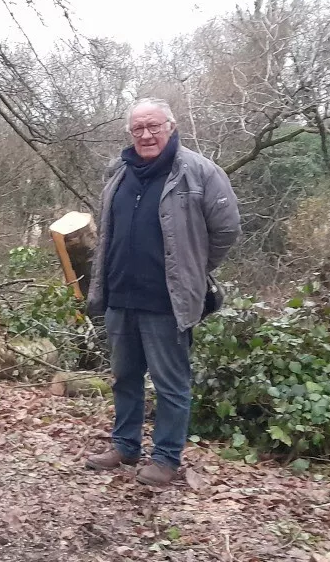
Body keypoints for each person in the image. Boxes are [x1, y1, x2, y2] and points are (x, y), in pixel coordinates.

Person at [84, 98, 242, 486]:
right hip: (121, 295)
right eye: (138, 128)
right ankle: (125, 445)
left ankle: (167, 459)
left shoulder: (200, 172)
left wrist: (194, 267)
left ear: (171, 126)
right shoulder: (118, 171)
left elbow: (227, 229)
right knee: (125, 377)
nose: (146, 134)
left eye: (153, 126)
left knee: (171, 384)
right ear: (130, 133)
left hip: (167, 300)